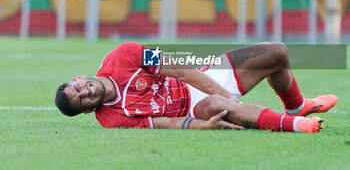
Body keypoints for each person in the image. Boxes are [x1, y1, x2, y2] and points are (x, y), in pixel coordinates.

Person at [55, 42, 337, 133]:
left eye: (78, 88)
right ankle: (298, 124)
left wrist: (223, 90)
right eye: (82, 101)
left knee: (277, 52)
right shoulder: (111, 119)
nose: (85, 93)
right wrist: (202, 126)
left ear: (79, 78)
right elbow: (165, 121)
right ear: (87, 111)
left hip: (199, 78)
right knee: (217, 107)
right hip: (195, 108)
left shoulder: (125, 54)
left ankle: (297, 105)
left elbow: (179, 68)